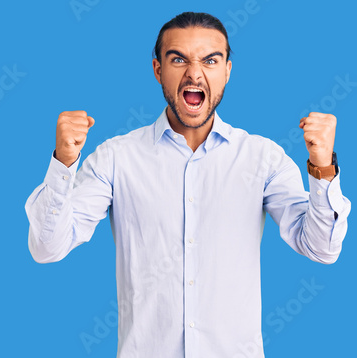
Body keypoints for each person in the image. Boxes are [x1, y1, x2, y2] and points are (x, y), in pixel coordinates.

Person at [25, 11, 351, 358]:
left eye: (210, 60)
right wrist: (64, 163)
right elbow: (48, 248)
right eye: (178, 59)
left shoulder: (262, 158)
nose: (194, 73)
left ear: (227, 71)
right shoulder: (116, 158)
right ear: (157, 70)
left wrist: (322, 167)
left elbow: (321, 249)